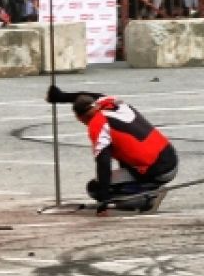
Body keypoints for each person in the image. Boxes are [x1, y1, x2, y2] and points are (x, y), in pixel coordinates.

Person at [46, 85, 178, 213]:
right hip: (169, 157)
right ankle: (146, 187)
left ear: (80, 118)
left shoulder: (98, 124)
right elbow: (90, 96)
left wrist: (103, 200)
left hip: (157, 170)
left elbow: (104, 163)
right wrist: (61, 97)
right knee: (124, 156)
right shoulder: (113, 103)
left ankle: (147, 196)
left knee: (95, 188)